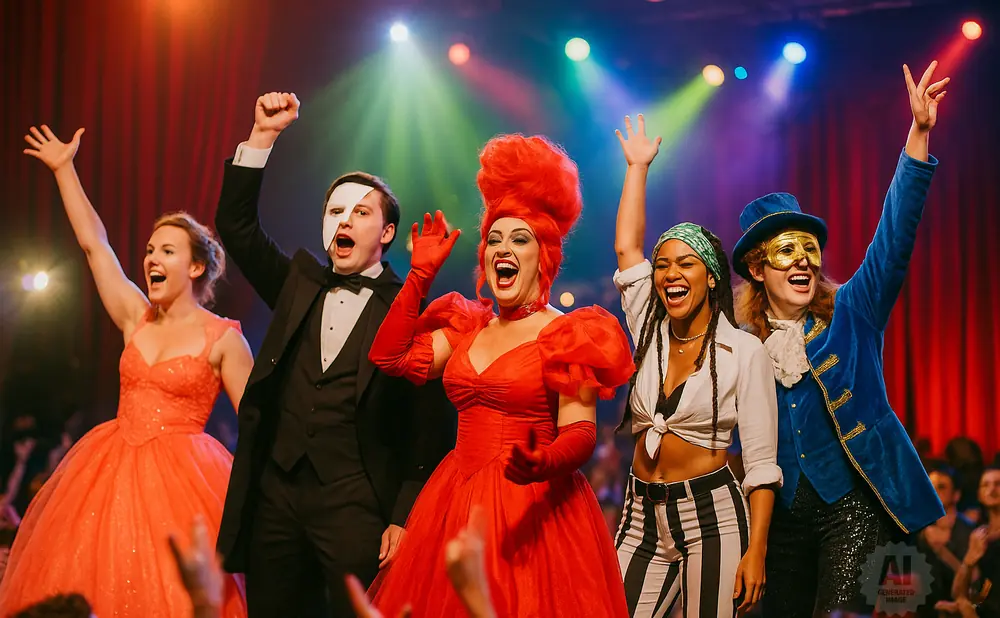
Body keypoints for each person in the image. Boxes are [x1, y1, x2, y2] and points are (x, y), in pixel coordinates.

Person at [365, 134, 635, 617]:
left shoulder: (568, 333)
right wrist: (419, 278)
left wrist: (543, 462)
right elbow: (390, 357)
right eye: (494, 239)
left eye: (519, 239)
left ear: (543, 255)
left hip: (532, 509)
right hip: (455, 499)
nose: (502, 248)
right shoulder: (469, 326)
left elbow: (580, 433)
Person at [214, 92, 454, 617]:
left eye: (360, 212)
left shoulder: (410, 307)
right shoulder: (297, 283)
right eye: (335, 211)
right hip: (276, 494)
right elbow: (237, 227)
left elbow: (428, 425)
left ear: (386, 232)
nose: (344, 220)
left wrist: (403, 514)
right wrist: (262, 137)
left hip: (356, 500)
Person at [0, 125, 252, 617]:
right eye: (150, 250)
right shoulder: (135, 316)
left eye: (167, 251)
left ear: (196, 267)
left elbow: (258, 425)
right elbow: (95, 245)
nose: (151, 258)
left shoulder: (224, 338)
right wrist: (64, 170)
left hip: (185, 485)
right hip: (108, 472)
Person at [731, 61, 949, 616]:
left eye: (809, 249)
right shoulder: (741, 344)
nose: (803, 261)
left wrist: (918, 136)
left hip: (852, 507)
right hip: (778, 516)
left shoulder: (853, 310)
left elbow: (894, 237)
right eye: (786, 252)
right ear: (757, 269)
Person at [611, 114, 781, 618]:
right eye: (663, 265)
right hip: (641, 512)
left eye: (685, 263)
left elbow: (761, 464)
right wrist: (637, 168)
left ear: (710, 278)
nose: (670, 273)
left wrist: (757, 550)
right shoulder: (648, 325)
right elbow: (627, 249)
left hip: (712, 518)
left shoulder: (744, 351)